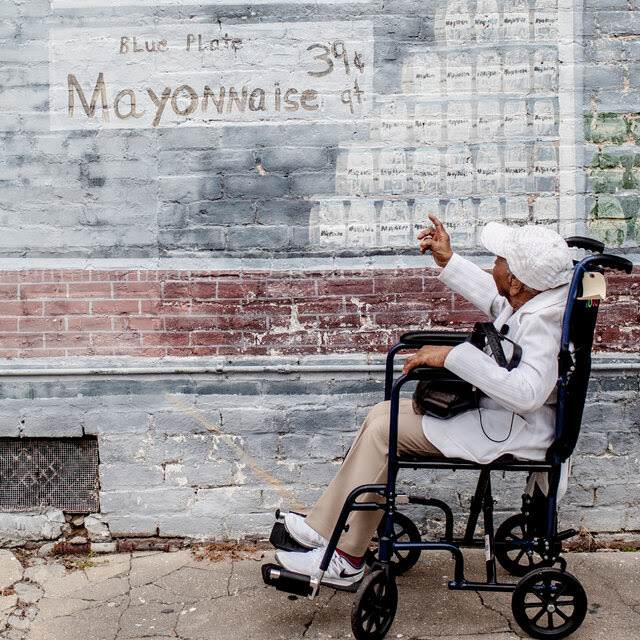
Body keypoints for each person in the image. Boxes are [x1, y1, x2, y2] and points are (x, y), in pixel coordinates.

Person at [274, 215, 575, 588]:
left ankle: (347, 558)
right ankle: (328, 529)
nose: (493, 265)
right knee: (381, 415)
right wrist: (449, 260)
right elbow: (502, 310)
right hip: (498, 417)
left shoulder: (544, 321)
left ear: (515, 281)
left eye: (499, 260)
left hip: (511, 429)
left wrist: (451, 357)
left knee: (386, 430)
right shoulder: (534, 299)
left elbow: (527, 394)